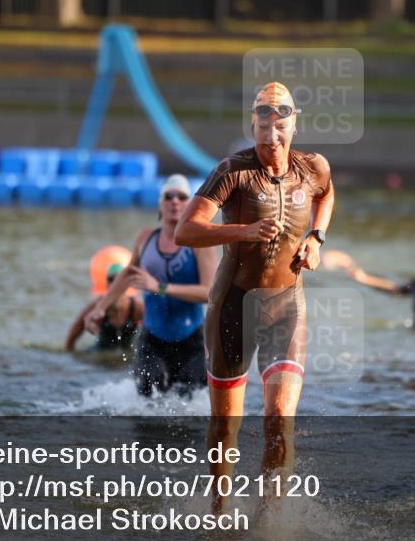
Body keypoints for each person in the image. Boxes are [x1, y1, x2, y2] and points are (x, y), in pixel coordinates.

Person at [175, 81, 335, 508]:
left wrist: (316, 238)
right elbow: (185, 231)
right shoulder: (233, 171)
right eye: (263, 119)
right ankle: (219, 511)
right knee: (226, 427)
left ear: (293, 124)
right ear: (254, 124)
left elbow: (327, 193)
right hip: (233, 306)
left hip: (287, 306)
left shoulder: (313, 167)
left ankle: (272, 522)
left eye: (280, 119)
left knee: (278, 420)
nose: (272, 129)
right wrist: (243, 231)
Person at [85, 174, 218, 397]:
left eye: (181, 196)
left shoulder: (200, 243)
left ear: (190, 205)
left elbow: (210, 293)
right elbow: (127, 274)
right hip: (152, 340)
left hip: (192, 340)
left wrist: (160, 287)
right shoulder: (145, 239)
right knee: (146, 401)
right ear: (160, 203)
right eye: (169, 196)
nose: (174, 201)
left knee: (192, 407)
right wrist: (99, 309)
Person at [64, 262, 142, 352]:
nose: (115, 284)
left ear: (126, 284)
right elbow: (76, 329)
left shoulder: (135, 307)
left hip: (126, 354)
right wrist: (70, 354)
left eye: (119, 280)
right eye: (111, 279)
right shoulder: (98, 305)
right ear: (107, 282)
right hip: (101, 354)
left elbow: (151, 329)